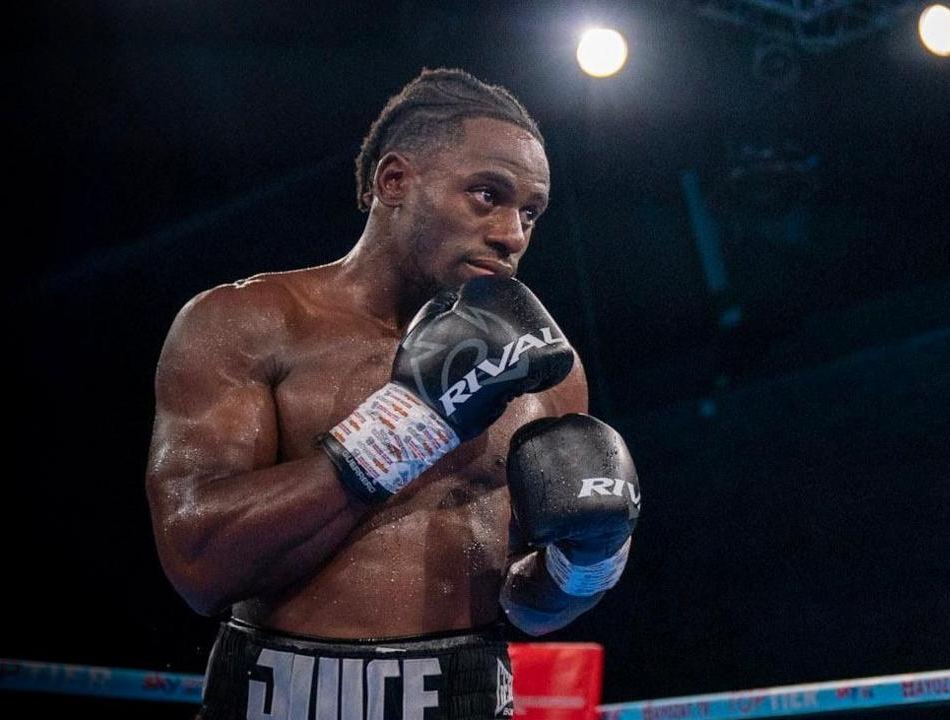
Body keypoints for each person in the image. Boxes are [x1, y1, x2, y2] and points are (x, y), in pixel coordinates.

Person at [145, 68, 641, 720]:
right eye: (485, 195)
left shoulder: (545, 369)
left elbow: (528, 605)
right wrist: (408, 424)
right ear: (394, 182)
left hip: (465, 695)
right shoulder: (247, 323)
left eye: (529, 211)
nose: (512, 233)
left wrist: (589, 563)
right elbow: (198, 566)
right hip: (281, 699)